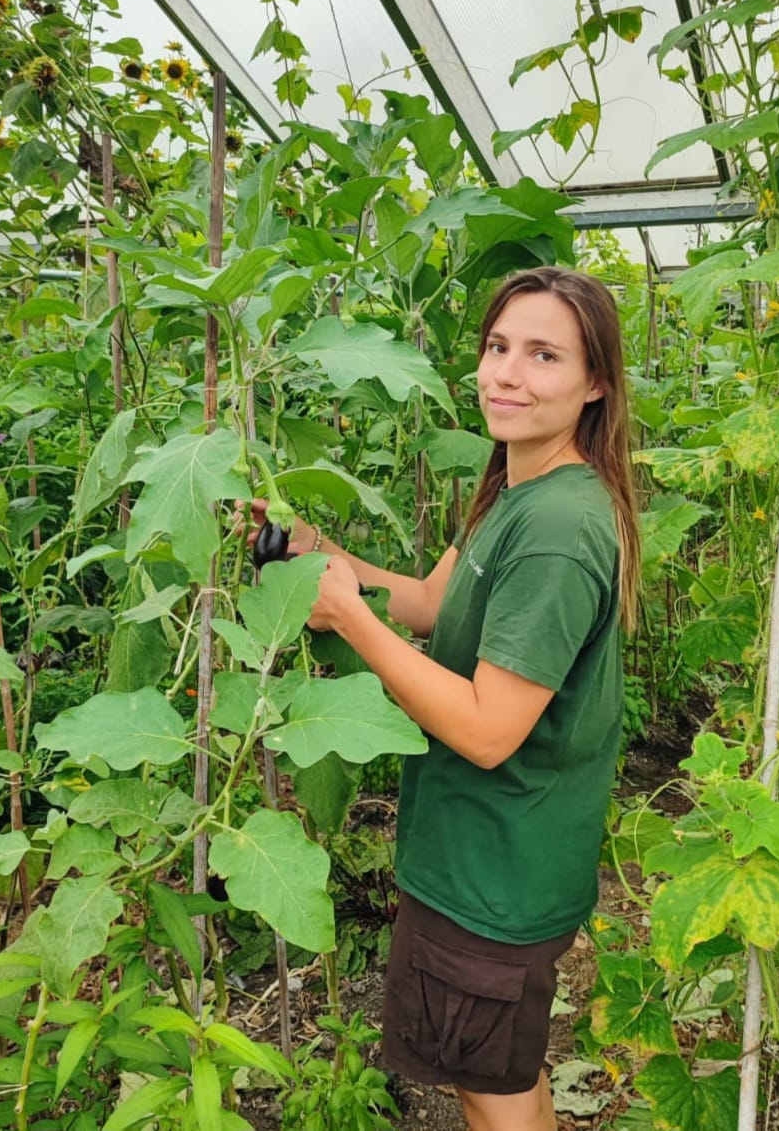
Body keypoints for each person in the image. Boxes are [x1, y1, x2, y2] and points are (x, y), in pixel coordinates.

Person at [249, 266, 639, 1131]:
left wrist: (346, 618)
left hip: (493, 874)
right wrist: (325, 557)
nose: (507, 373)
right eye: (498, 347)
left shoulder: (556, 531)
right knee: (501, 1068)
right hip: (493, 856)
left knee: (487, 1086)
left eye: (543, 355)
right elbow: (429, 604)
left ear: (594, 383)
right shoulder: (518, 487)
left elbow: (489, 728)